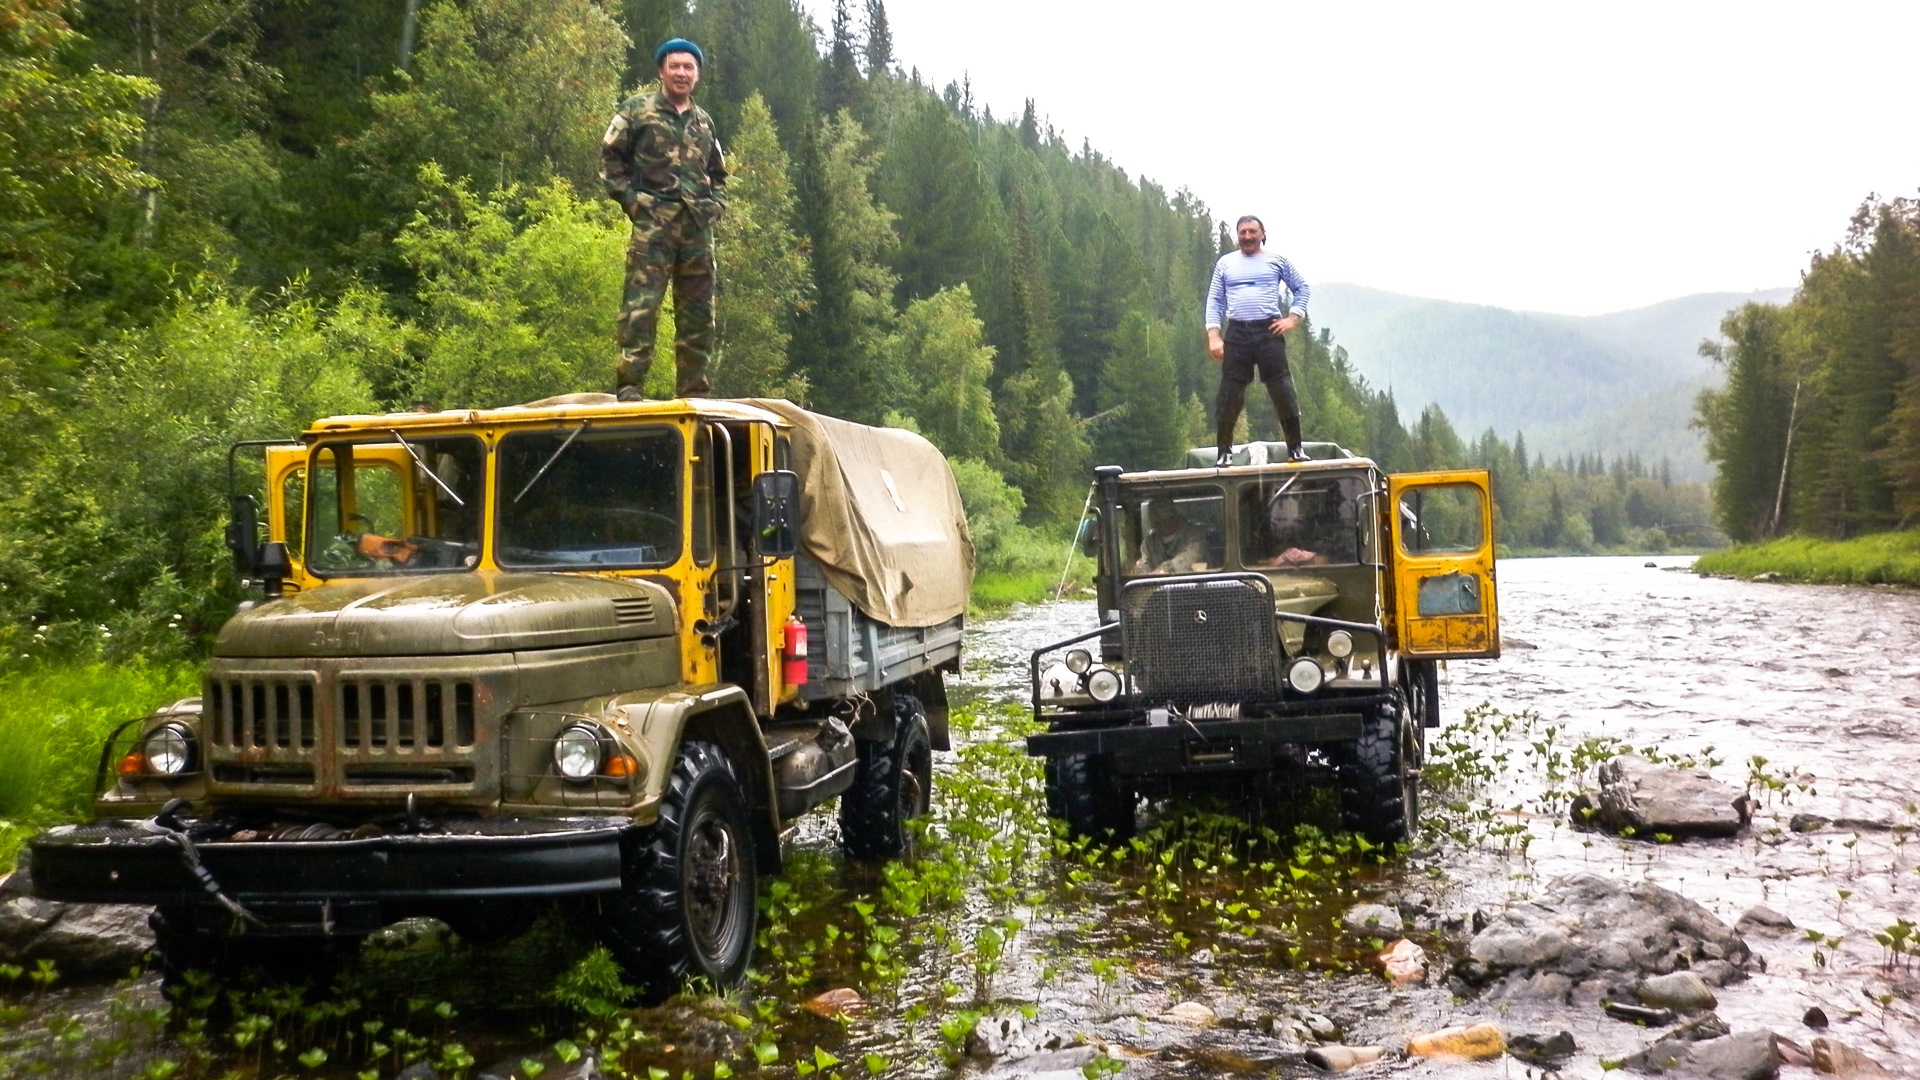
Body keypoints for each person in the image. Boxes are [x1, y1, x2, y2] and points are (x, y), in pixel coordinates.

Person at [600, 37, 728, 401]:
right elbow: (610, 159)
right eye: (675, 66)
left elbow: (718, 173)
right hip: (653, 227)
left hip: (697, 229)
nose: (682, 73)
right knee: (641, 308)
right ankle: (629, 386)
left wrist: (715, 205)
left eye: (689, 67)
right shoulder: (636, 111)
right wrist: (632, 202)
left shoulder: (704, 123)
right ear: (661, 71)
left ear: (697, 75)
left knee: (699, 315)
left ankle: (694, 391)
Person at [1203, 216, 1311, 466]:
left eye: (1252, 232)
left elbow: (1302, 288)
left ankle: (1295, 448)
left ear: (1262, 234)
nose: (1247, 236)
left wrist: (1292, 319)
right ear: (1237, 235)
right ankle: (1224, 452)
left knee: (1282, 390)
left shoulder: (1277, 260)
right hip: (1237, 332)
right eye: (1243, 232)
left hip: (1269, 330)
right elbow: (1215, 301)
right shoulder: (1225, 263)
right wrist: (1214, 336)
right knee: (1230, 393)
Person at [1133, 500, 1207, 574]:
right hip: (1158, 584)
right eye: (1157, 522)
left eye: (1165, 519)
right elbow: (1145, 565)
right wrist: (1140, 571)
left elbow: (1192, 556)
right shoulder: (1149, 544)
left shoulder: (1193, 534)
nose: (1162, 525)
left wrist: (1166, 569)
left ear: (1174, 516)